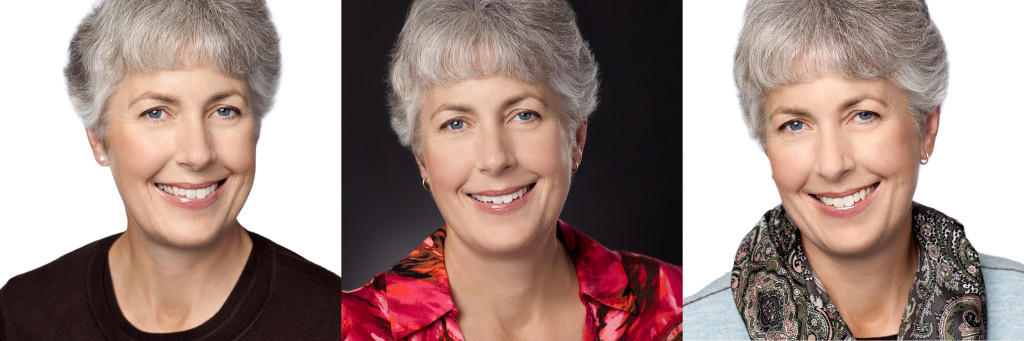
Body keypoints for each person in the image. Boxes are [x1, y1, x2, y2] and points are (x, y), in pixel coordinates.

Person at [683, 0, 1024, 339]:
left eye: (863, 115)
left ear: (927, 128)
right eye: (795, 124)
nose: (832, 165)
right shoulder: (686, 330)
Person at [341, 0, 682, 339]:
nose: (495, 159)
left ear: (575, 136)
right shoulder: (347, 329)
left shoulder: (677, 309)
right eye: (456, 123)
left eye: (524, 115)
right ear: (422, 160)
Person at [0, 0, 340, 339]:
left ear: (256, 129)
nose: (198, 153)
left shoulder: (335, 320)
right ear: (98, 140)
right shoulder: (23, 313)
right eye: (156, 113)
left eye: (224, 110)